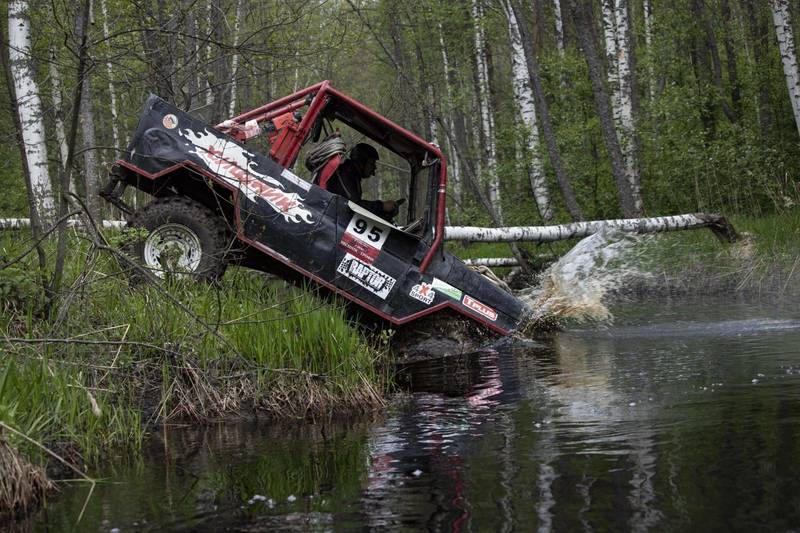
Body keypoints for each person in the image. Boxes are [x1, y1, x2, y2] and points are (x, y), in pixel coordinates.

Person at [327, 143, 404, 221]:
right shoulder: (346, 173)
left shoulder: (352, 175)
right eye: (372, 163)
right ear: (362, 161)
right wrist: (382, 206)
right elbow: (353, 206)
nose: (374, 169)